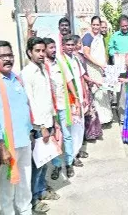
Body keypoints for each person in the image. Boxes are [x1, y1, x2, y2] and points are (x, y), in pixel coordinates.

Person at [0, 41, 33, 215]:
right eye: (3, 56)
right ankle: (8, 212)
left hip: (23, 138)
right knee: (8, 182)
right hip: (7, 143)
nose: (8, 59)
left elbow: (24, 106)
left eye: (10, 55)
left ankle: (25, 209)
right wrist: (0, 145)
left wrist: (30, 130)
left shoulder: (15, 78)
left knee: (25, 178)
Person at [21, 37, 60, 213]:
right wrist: (42, 126)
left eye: (43, 50)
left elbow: (47, 98)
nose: (42, 54)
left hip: (48, 121)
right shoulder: (27, 73)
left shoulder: (43, 69)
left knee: (45, 160)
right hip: (39, 127)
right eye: (38, 51)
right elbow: (30, 102)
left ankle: (42, 190)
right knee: (37, 164)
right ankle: (34, 199)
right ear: (30, 52)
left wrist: (54, 121)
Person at [43, 38, 76, 181]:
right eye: (51, 48)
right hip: (49, 109)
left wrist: (76, 99)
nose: (54, 50)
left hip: (63, 106)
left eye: (54, 47)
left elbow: (69, 81)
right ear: (44, 50)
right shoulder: (42, 67)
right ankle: (57, 165)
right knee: (54, 138)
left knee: (67, 135)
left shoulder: (60, 64)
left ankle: (69, 163)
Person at [60, 35, 89, 163]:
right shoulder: (61, 61)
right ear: (63, 46)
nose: (71, 47)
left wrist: (85, 95)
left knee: (81, 126)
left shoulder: (76, 59)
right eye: (68, 45)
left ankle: (76, 151)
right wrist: (76, 98)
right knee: (73, 128)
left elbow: (81, 78)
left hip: (80, 97)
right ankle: (72, 157)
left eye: (72, 45)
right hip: (71, 99)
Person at [82, 16, 112, 125]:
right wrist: (99, 64)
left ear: (100, 25)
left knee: (103, 91)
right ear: (91, 25)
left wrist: (105, 65)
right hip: (92, 68)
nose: (95, 27)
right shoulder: (87, 37)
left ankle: (106, 118)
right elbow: (86, 54)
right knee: (96, 91)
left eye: (97, 25)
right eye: (93, 25)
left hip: (101, 68)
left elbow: (103, 52)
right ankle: (97, 121)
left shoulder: (100, 37)